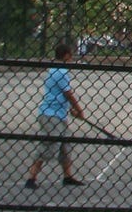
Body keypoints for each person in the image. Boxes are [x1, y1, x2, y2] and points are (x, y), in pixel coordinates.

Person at [24, 42, 86, 189]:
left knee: (65, 146)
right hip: (50, 115)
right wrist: (79, 109)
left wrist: (69, 110)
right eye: (70, 56)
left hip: (58, 114)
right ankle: (31, 178)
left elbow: (61, 95)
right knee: (49, 146)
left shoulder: (54, 69)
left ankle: (67, 176)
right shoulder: (61, 72)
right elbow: (68, 93)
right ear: (66, 56)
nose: (71, 59)